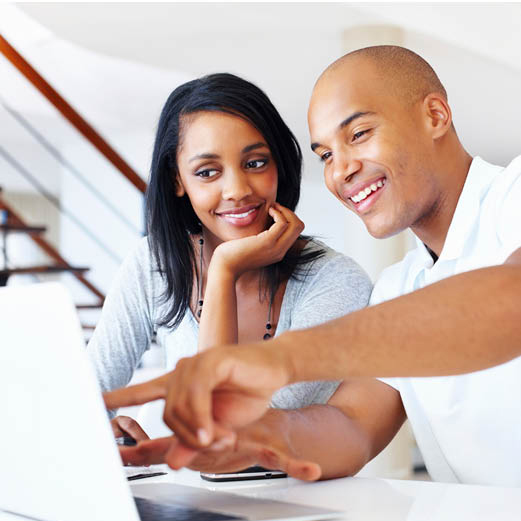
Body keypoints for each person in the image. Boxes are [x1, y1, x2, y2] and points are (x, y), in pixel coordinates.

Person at [105, 47, 521, 487]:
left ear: (435, 115)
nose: (341, 170)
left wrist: (283, 359)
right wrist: (248, 437)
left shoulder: (513, 195)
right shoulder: (399, 287)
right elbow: (353, 426)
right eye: (325, 154)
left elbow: (510, 298)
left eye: (358, 134)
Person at [89, 72, 373, 480]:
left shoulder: (336, 281)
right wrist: (96, 428)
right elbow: (86, 395)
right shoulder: (154, 262)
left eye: (255, 163)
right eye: (207, 172)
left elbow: (228, 436)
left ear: (279, 164)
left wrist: (223, 269)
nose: (237, 189)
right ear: (177, 180)